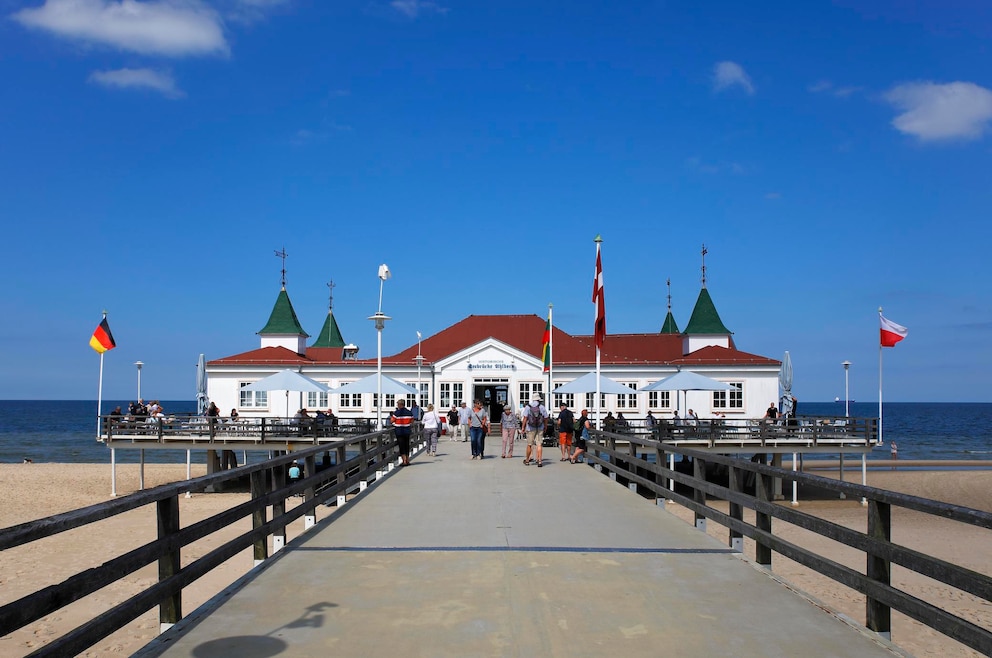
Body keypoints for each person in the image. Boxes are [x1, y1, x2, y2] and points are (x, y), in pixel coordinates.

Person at [522, 395, 548, 467]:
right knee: (539, 444)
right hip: (540, 427)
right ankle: (539, 461)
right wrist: (545, 426)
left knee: (529, 444)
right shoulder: (542, 407)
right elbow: (546, 418)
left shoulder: (528, 407)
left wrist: (523, 427)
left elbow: (525, 418)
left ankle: (527, 460)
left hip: (530, 428)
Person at [390, 399, 414, 466]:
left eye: (398, 404)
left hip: (399, 431)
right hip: (407, 431)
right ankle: (407, 460)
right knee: (406, 446)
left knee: (401, 446)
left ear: (400, 405)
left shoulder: (397, 413)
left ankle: (404, 461)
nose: (397, 405)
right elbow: (412, 421)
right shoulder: (409, 412)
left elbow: (391, 421)